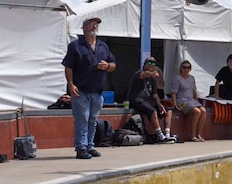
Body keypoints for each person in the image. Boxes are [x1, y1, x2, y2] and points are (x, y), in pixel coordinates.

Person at [61, 17, 117, 159]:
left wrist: (107, 66)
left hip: (97, 91)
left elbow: (113, 65)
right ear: (84, 28)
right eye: (92, 24)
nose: (95, 26)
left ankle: (90, 146)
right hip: (81, 90)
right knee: (82, 119)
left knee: (92, 119)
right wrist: (71, 84)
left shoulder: (103, 46)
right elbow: (68, 66)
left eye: (97, 24)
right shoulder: (75, 46)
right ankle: (81, 148)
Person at [128, 57, 175, 144]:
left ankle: (167, 135)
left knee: (168, 111)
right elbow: (144, 75)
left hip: (148, 100)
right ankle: (160, 136)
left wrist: (160, 104)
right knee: (153, 111)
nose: (151, 65)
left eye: (153, 64)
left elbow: (155, 95)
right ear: (144, 64)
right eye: (149, 63)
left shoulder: (153, 79)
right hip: (137, 99)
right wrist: (152, 74)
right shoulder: (139, 73)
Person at [170, 60, 207, 142]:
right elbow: (173, 92)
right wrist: (175, 103)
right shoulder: (177, 78)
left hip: (191, 100)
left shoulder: (192, 78)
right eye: (184, 67)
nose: (186, 69)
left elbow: (194, 90)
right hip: (182, 101)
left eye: (188, 67)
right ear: (181, 68)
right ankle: (192, 135)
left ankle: (199, 134)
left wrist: (197, 102)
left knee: (203, 111)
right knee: (197, 112)